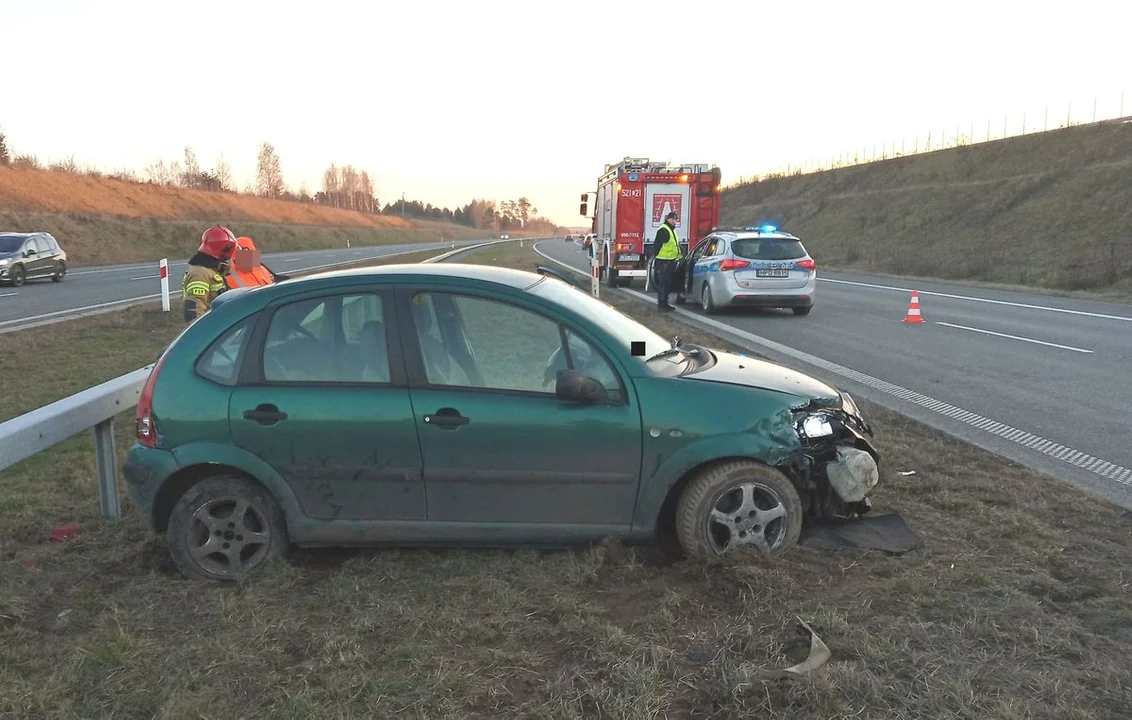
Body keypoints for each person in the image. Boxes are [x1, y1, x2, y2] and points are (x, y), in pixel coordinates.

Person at [182, 225, 237, 323]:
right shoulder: (199, 273)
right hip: (211, 328)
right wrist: (201, 335)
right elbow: (193, 312)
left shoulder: (213, 269)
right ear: (225, 249)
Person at [224, 235, 290, 290]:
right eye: (246, 252)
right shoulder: (228, 277)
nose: (252, 256)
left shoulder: (263, 269)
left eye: (252, 252)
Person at [650, 211, 685, 311]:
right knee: (664, 284)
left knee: (668, 283)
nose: (675, 222)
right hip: (664, 262)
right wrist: (657, 257)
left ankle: (664, 303)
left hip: (670, 261)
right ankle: (662, 304)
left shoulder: (671, 230)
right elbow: (658, 245)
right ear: (669, 219)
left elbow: (674, 245)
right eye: (674, 219)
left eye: (676, 220)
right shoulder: (664, 230)